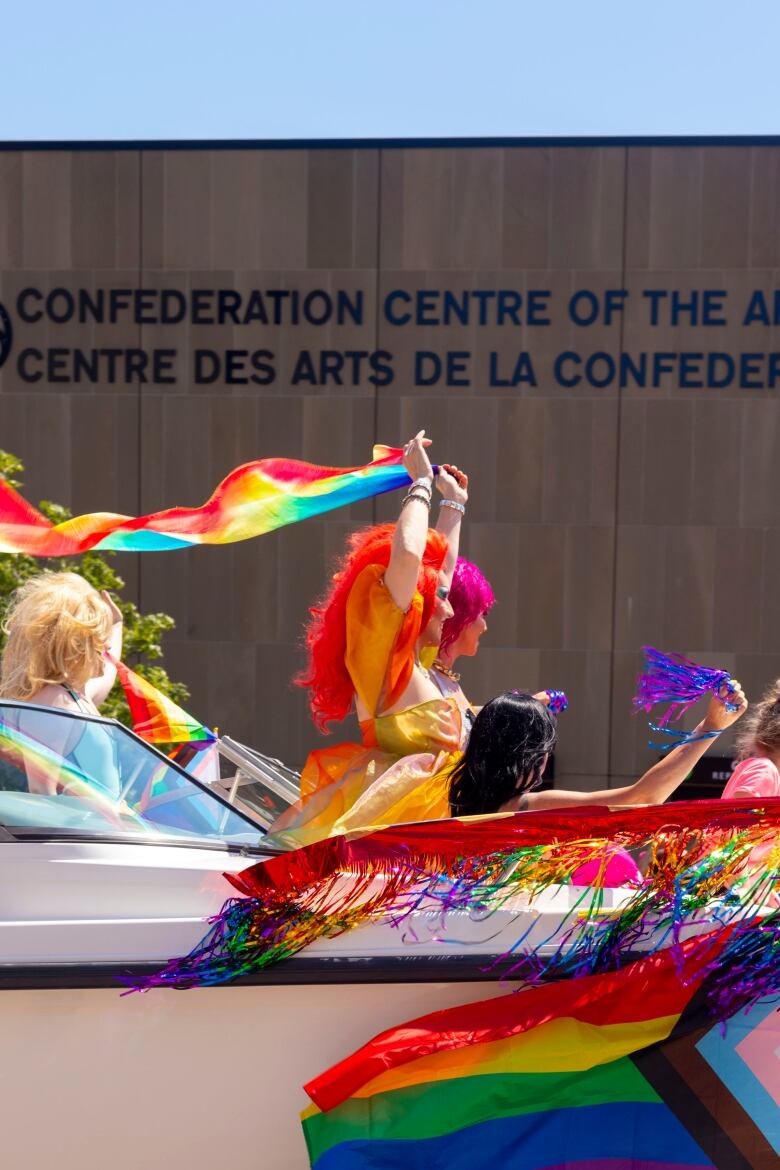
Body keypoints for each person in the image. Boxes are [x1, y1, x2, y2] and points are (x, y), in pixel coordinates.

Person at [267, 431, 469, 847]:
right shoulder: (385, 660)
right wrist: (420, 485)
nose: (450, 611)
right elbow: (412, 557)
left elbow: (439, 575)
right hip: (388, 832)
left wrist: (454, 506)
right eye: (440, 603)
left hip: (436, 830)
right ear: (417, 606)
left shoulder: (421, 662)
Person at [449, 684, 748, 816]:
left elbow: (489, 723)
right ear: (531, 754)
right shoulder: (527, 808)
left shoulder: (453, 796)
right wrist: (710, 727)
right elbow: (642, 797)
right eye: (544, 748)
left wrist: (522, 710)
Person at [0, 572, 123, 797]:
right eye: (98, 649)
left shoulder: (75, 696)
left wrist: (117, 625)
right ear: (74, 650)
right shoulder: (54, 703)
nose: (104, 658)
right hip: (79, 830)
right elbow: (41, 793)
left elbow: (111, 669)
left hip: (99, 829)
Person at [431, 556, 553, 726]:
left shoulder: (442, 675)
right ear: (462, 615)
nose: (485, 627)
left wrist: (520, 708)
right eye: (482, 614)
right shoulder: (425, 675)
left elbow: (464, 716)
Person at [0, 571, 122, 714]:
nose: (108, 645)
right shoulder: (57, 704)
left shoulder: (70, 695)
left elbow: (109, 670)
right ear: (75, 647)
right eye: (100, 638)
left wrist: (117, 625)